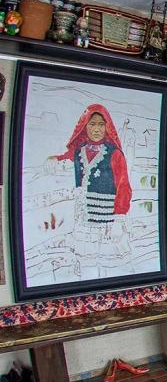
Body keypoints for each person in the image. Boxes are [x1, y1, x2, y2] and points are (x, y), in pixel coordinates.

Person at [48, 105, 132, 278]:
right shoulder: (79, 151)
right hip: (84, 220)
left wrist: (119, 217)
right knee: (86, 261)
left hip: (107, 221)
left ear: (107, 127)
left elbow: (123, 185)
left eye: (101, 124)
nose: (96, 129)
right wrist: (55, 159)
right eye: (92, 124)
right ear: (85, 126)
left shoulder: (115, 154)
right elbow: (66, 157)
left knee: (109, 263)